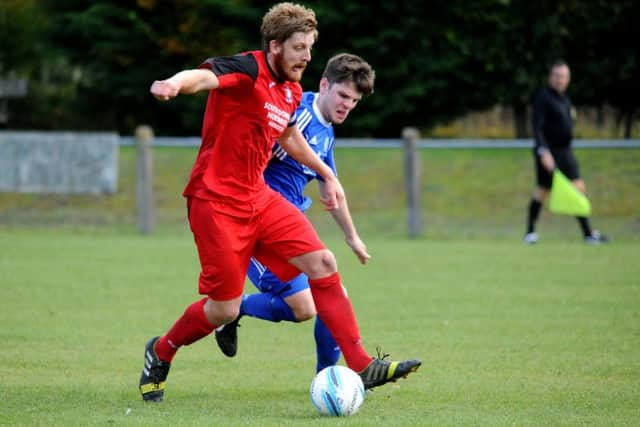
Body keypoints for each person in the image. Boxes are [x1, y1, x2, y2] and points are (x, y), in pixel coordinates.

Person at [138, 3, 420, 403]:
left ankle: (361, 363)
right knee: (222, 309)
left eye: (309, 48)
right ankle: (161, 351)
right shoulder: (248, 69)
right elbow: (204, 77)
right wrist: (173, 83)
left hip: (259, 198)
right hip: (215, 202)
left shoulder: (289, 92)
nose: (307, 56)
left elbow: (288, 137)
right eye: (299, 47)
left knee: (323, 264)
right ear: (275, 46)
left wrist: (327, 173)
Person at [214, 53, 374, 374]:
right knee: (315, 302)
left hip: (289, 228)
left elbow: (333, 191)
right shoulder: (297, 114)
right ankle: (230, 311)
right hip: (257, 227)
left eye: (354, 101)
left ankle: (326, 378)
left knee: (316, 302)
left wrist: (353, 238)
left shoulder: (325, 134)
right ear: (324, 84)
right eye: (343, 95)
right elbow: (252, 153)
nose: (347, 105)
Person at [524, 60, 609, 245]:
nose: (559, 80)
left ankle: (588, 234)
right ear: (550, 77)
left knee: (578, 189)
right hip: (549, 152)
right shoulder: (543, 98)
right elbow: (537, 128)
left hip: (566, 152)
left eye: (563, 77)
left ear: (568, 79)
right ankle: (529, 233)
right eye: (556, 76)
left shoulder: (565, 99)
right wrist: (543, 151)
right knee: (542, 191)